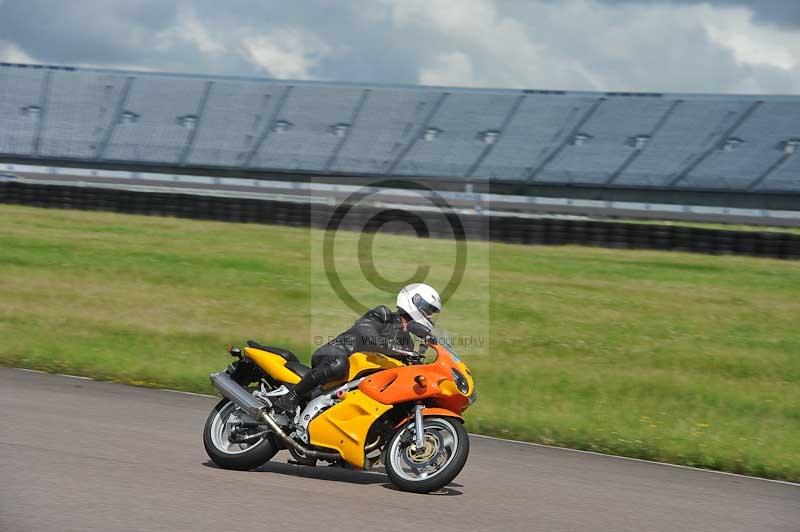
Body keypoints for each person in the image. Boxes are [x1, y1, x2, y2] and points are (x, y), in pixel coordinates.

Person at [272, 283, 442, 414]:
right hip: (337, 352)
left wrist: (423, 351)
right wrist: (384, 343)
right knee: (339, 364)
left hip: (356, 379)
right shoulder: (384, 314)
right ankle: (291, 397)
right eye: (428, 311)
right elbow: (363, 328)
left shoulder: (407, 344)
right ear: (415, 303)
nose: (429, 316)